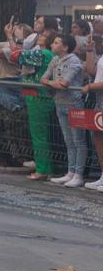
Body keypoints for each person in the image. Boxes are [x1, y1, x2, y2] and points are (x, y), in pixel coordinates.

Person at [41, 34, 87, 188]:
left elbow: (65, 83)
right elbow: (43, 79)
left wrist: (53, 83)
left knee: (78, 140)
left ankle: (78, 174)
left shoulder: (74, 61)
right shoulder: (55, 60)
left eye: (56, 42)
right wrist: (54, 82)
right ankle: (70, 172)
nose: (52, 45)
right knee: (68, 140)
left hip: (74, 104)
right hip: (59, 102)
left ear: (65, 47)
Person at [18, 31, 56, 180]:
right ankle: (45, 166)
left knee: (39, 134)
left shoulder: (43, 53)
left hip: (39, 97)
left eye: (44, 35)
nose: (40, 35)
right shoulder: (45, 53)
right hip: (38, 97)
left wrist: (10, 37)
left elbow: (18, 56)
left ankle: (43, 169)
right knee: (41, 134)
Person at [81, 35, 103, 191]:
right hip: (99, 101)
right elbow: (91, 71)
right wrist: (89, 50)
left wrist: (90, 87)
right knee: (98, 137)